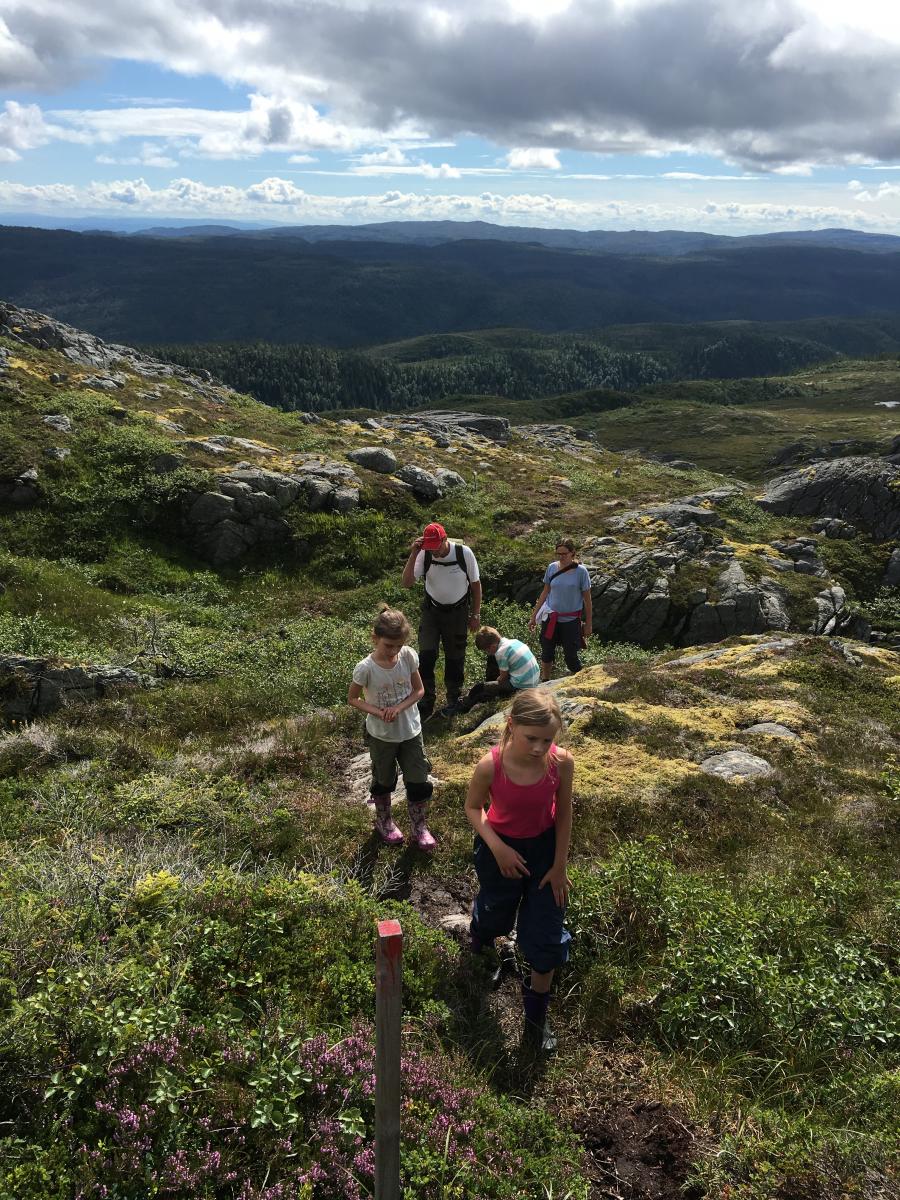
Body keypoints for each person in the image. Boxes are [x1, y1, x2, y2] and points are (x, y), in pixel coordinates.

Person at [464, 689, 574, 1052]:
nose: (541, 748)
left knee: (545, 935)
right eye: (532, 738)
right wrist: (498, 848)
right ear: (511, 725)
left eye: (548, 739)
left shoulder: (562, 763)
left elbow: (564, 814)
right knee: (495, 912)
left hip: (545, 854)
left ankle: (535, 1021)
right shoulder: (491, 765)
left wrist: (559, 865)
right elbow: (473, 808)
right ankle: (480, 946)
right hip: (499, 848)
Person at [348, 606, 436, 850]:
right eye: (388, 645)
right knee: (384, 779)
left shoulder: (408, 656)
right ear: (375, 638)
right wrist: (379, 712)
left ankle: (419, 827)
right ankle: (384, 822)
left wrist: (398, 708)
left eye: (399, 645)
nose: (394, 651)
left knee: (418, 779)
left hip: (410, 731)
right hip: (382, 735)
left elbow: (419, 690)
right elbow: (353, 698)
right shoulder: (366, 668)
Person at [401, 522, 482, 719]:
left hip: (458, 612)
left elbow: (476, 585)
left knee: (455, 657)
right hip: (432, 611)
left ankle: (454, 698)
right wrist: (414, 554)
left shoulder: (463, 553)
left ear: (445, 539)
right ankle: (426, 700)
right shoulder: (424, 554)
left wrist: (475, 614)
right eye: (429, 548)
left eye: (436, 547)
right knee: (426, 655)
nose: (434, 552)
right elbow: (407, 583)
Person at [527, 539, 592, 681]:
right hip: (550, 617)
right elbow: (545, 593)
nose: (561, 557)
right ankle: (545, 681)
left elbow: (587, 600)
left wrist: (588, 624)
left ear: (572, 553)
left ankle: (580, 682)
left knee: (571, 656)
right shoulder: (551, 568)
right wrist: (533, 617)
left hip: (571, 621)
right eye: (558, 554)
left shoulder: (581, 572)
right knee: (547, 652)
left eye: (564, 554)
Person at [444, 625, 540, 715]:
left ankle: (461, 707)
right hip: (533, 682)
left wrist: (494, 683)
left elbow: (503, 678)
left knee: (479, 688)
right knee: (490, 684)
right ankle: (465, 702)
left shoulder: (501, 652)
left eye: (486, 650)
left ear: (492, 646)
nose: (488, 653)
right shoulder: (514, 642)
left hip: (521, 687)